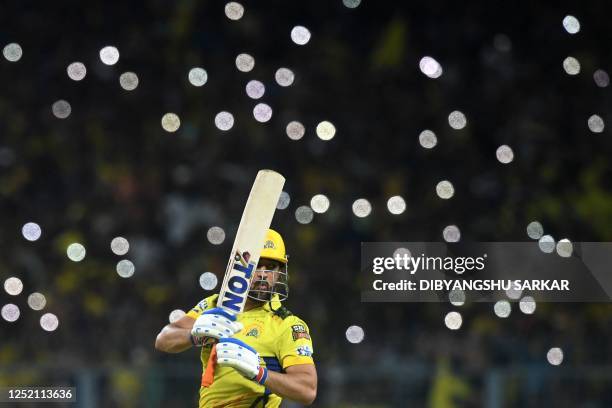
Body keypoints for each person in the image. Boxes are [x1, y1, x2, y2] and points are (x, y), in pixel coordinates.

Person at [155, 229, 317, 407]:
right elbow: (163, 340)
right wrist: (194, 336)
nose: (263, 274)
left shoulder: (287, 324)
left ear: (280, 273)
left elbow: (307, 390)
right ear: (241, 268)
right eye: (256, 265)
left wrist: (259, 373)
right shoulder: (216, 304)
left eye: (271, 267)